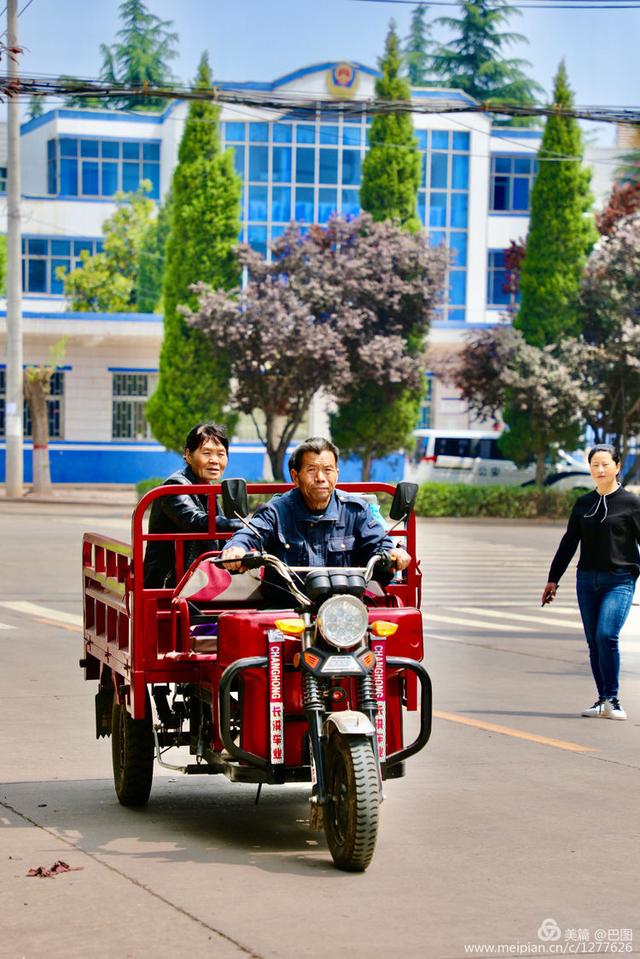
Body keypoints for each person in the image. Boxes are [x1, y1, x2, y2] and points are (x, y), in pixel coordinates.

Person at [221, 436, 410, 603]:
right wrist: (237, 549)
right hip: (287, 610)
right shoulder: (276, 511)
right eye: (311, 470)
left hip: (343, 610)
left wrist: (393, 554)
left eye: (328, 470)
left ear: (337, 473)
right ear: (295, 476)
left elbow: (379, 544)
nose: (320, 477)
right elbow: (249, 534)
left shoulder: (355, 510)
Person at [541, 444, 640, 721]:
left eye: (605, 464)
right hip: (586, 581)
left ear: (617, 467)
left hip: (620, 580)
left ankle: (613, 699)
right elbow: (569, 542)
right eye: (595, 464)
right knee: (594, 643)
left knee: (606, 635)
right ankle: (602, 700)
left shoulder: (631, 504)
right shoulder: (583, 503)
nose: (600, 469)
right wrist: (553, 579)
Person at [143, 422, 242, 588]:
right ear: (188, 455)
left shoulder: (207, 488)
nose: (214, 460)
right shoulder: (175, 486)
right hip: (169, 584)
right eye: (206, 453)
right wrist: (245, 524)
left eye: (221, 454)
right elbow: (196, 521)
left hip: (198, 578)